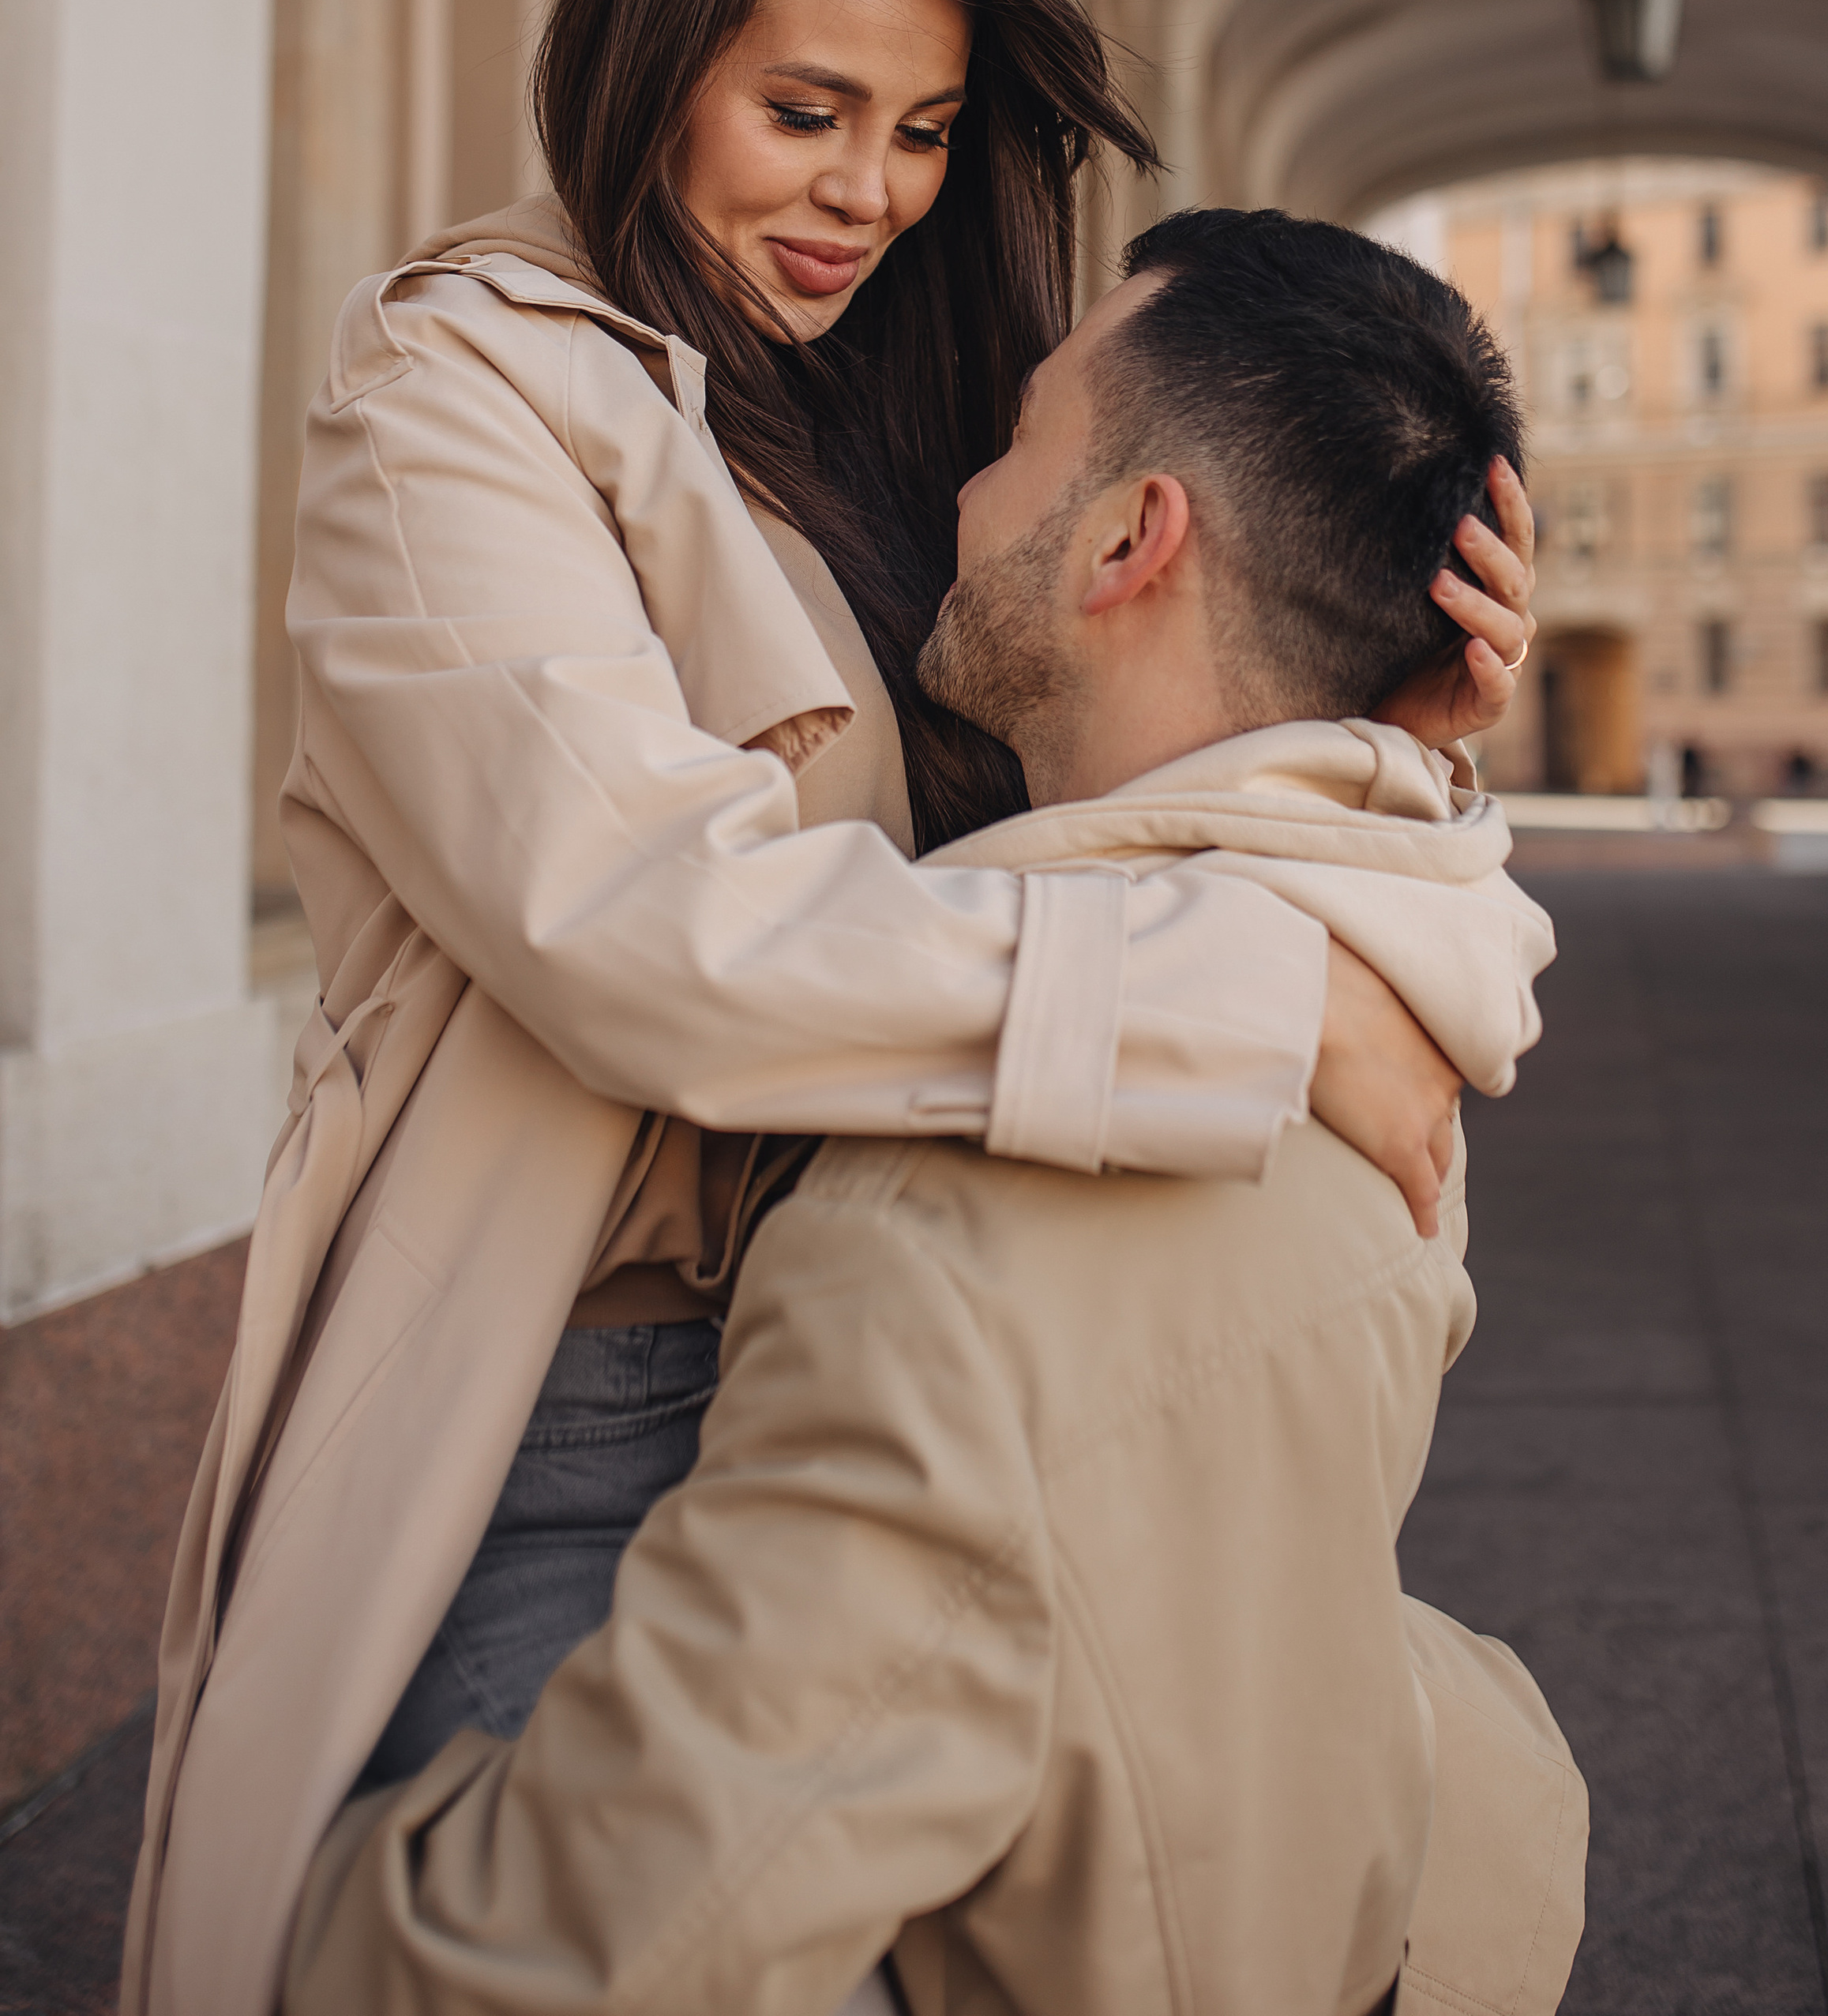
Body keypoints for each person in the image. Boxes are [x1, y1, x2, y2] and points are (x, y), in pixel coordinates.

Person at [122, 0, 1538, 2016]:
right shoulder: (459, 399)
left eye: (923, 127)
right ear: (648, 64)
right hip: (589, 1400)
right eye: (806, 111)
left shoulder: (931, 416)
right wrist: (1254, 1002)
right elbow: (646, 942)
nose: (869, 191)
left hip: (933, 1363)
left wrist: (1388, 741)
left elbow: (1140, 754)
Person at [281, 210, 1582, 2016]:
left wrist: (297, 1934)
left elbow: (619, 1935)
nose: (961, 487)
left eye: (1019, 435)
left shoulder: (945, 1232)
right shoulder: (1391, 1005)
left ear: (1129, 537)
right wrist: (1398, 726)